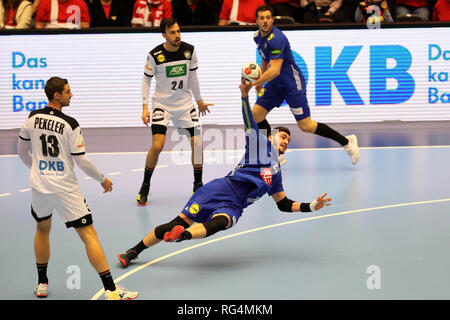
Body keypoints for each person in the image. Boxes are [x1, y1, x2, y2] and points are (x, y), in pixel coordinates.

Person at [117, 77, 332, 268]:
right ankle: (133, 251)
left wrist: (312, 206)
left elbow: (284, 204)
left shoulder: (276, 175)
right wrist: (244, 97)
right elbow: (249, 121)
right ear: (269, 137)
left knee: (221, 223)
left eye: (288, 140)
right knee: (176, 222)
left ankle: (182, 236)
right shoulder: (259, 144)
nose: (285, 141)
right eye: (282, 136)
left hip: (235, 205)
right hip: (219, 189)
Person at [17, 77, 138, 300]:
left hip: (39, 187)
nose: (71, 95)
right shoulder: (70, 124)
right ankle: (111, 291)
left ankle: (42, 283)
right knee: (89, 235)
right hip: (65, 189)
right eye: (68, 91)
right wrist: (102, 179)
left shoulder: (32, 118)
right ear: (57, 95)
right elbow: (81, 161)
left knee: (42, 229)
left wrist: (37, 170)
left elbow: (21, 151)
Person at [250, 5, 360, 165]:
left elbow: (275, 70)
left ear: (272, 20)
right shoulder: (257, 37)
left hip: (291, 84)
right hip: (275, 84)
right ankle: (274, 153)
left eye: (268, 18)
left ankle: (347, 142)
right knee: (256, 115)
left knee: (306, 125)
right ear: (257, 20)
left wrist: (255, 82)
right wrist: (260, 82)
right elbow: (265, 59)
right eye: (262, 18)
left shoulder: (277, 38)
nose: (265, 21)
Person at [136, 17, 213, 206]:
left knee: (197, 144)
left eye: (178, 31)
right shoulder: (155, 55)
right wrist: (145, 107)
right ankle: (145, 185)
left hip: (185, 104)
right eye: (172, 32)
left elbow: (193, 78)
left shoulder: (190, 51)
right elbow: (146, 80)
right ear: (164, 35)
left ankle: (198, 185)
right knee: (157, 145)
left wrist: (199, 101)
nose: (177, 35)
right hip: (162, 104)